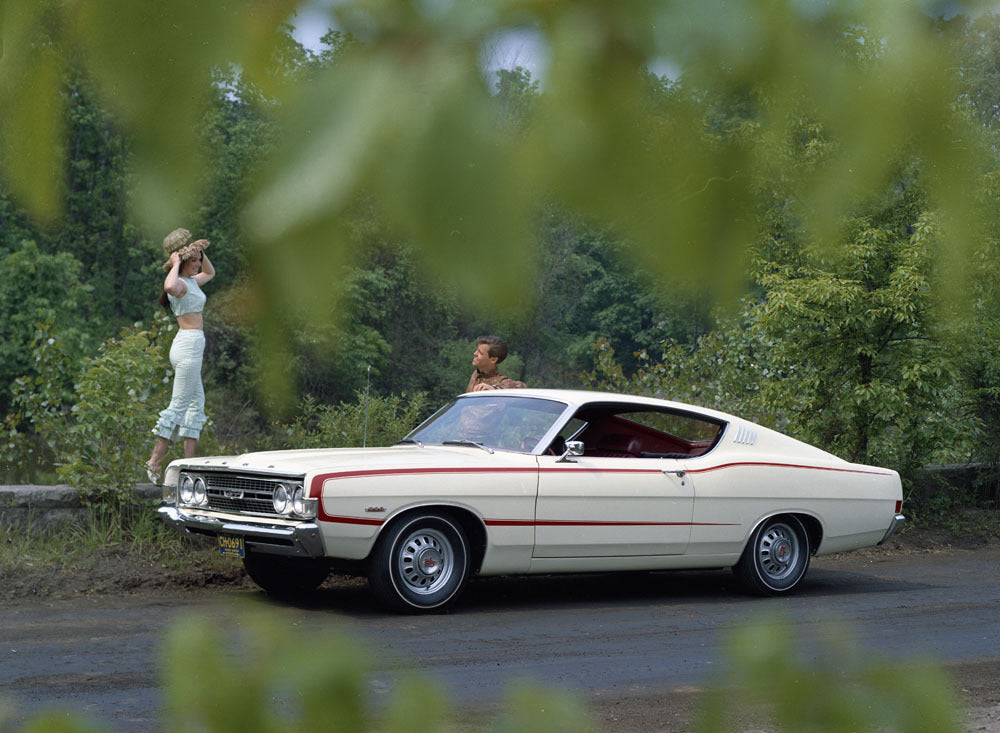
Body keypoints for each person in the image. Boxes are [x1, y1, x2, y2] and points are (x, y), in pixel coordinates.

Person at [145, 228, 215, 484]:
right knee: (179, 406)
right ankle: (154, 462)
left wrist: (198, 250)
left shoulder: (194, 281)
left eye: (199, 258)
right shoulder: (181, 285)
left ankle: (188, 465)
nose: (199, 264)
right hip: (189, 346)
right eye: (194, 260)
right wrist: (175, 263)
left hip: (188, 344)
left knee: (196, 405)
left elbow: (211, 272)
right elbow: (169, 284)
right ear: (184, 263)